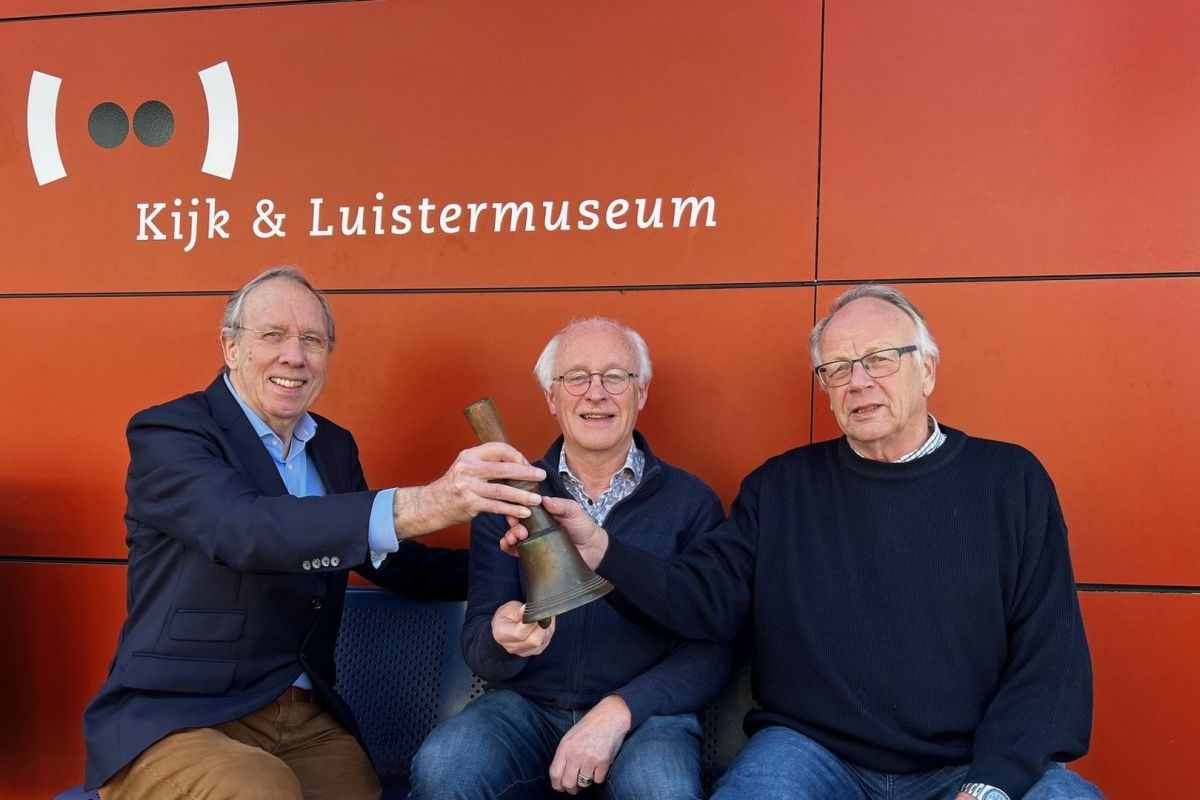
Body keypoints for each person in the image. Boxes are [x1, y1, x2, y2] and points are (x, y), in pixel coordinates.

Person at [509, 286, 1103, 800]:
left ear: (926, 370)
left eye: (879, 359)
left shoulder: (1010, 481)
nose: (859, 382)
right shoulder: (780, 488)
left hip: (969, 762)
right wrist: (599, 548)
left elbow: (1049, 662)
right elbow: (703, 599)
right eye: (837, 368)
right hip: (812, 755)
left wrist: (991, 785)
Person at [83, 267, 548, 800]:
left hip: (305, 721)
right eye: (273, 335)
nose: (294, 356)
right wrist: (430, 502)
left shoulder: (332, 446)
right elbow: (244, 530)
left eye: (312, 340)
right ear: (231, 348)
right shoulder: (171, 432)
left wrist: (516, 569)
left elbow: (390, 561)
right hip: (179, 719)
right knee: (261, 790)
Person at [410, 318, 731, 800]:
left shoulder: (692, 504)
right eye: (576, 377)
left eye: (615, 376)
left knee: (660, 789)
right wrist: (501, 638)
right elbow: (480, 644)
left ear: (641, 392)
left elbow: (711, 649)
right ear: (551, 397)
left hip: (645, 717)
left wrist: (618, 710)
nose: (595, 393)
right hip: (526, 708)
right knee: (445, 765)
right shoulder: (509, 499)